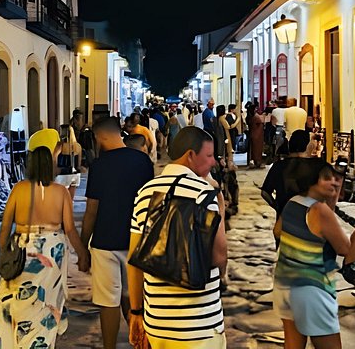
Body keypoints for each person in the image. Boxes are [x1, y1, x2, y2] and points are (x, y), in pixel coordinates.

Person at [128, 127, 228, 349]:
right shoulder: (204, 193)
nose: (213, 162)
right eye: (209, 155)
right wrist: (219, 203)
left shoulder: (145, 192)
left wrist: (136, 312)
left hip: (158, 324)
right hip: (200, 324)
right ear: (191, 155)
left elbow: (134, 260)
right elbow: (219, 257)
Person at [0, 146, 90, 348]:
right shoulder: (61, 192)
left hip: (23, 247)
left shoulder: (19, 189)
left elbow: (5, 227)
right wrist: (83, 254)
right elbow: (70, 229)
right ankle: (39, 342)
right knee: (47, 300)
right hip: (52, 251)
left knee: (15, 298)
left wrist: (5, 254)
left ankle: (14, 340)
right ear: (51, 165)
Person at [81, 117, 154, 349]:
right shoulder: (143, 161)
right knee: (132, 298)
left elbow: (92, 210)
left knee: (107, 301)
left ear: (101, 136)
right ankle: (140, 344)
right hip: (136, 239)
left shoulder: (99, 166)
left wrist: (83, 246)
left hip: (105, 241)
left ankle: (110, 347)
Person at [273, 160, 350, 349]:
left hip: (284, 284)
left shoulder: (292, 203)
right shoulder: (320, 210)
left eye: (334, 177)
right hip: (312, 289)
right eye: (326, 178)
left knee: (293, 344)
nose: (334, 182)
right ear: (311, 180)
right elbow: (344, 248)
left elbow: (278, 231)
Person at [261, 130, 317, 217]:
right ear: (306, 145)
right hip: (307, 217)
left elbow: (265, 192)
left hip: (284, 217)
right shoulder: (313, 167)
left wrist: (276, 206)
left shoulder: (279, 166)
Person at [246, 101, 265, 168]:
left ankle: (253, 161)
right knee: (257, 149)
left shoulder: (250, 117)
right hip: (257, 136)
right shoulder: (256, 117)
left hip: (253, 134)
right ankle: (257, 162)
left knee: (253, 149)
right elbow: (261, 123)